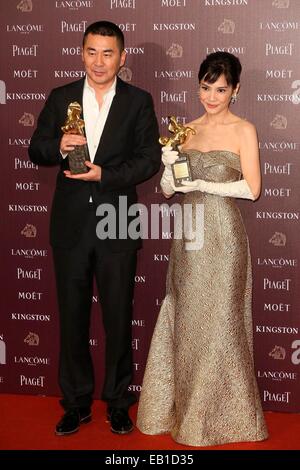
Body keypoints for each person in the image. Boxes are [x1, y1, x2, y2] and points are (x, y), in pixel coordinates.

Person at [28, 21, 160, 436]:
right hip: (70, 226)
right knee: (72, 318)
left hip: (117, 220)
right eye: (91, 51)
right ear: (81, 53)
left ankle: (119, 402)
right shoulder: (61, 97)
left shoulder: (139, 101)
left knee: (119, 317)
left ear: (122, 57)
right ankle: (77, 402)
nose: (99, 61)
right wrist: (58, 147)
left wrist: (104, 173)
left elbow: (148, 161)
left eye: (108, 53)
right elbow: (36, 148)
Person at [137, 52, 268, 447]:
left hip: (225, 238)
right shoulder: (185, 130)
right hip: (189, 237)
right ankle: (183, 410)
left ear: (236, 90)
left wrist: (204, 186)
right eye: (205, 88)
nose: (211, 97)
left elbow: (253, 189)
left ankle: (224, 419)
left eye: (221, 89)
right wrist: (168, 163)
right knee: (189, 322)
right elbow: (167, 190)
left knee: (222, 323)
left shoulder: (244, 129)